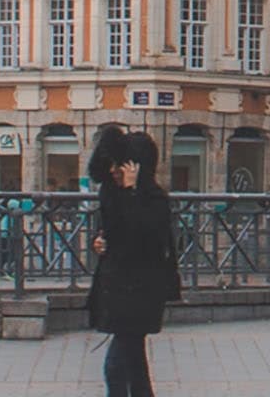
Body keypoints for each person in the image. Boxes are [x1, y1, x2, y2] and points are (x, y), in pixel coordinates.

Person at [89, 130, 181, 397]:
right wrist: (98, 242)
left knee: (116, 366)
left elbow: (146, 237)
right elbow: (112, 230)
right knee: (134, 364)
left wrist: (132, 192)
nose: (115, 171)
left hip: (142, 290)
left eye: (122, 165)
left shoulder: (153, 199)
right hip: (116, 288)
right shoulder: (111, 193)